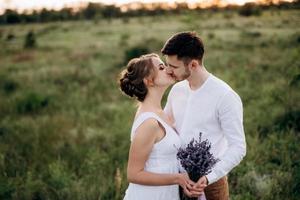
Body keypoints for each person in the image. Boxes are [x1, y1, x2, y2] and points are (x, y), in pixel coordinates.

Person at [162, 31, 247, 200]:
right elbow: (165, 128)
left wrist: (209, 177)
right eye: (167, 65)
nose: (168, 71)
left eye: (174, 66)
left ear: (193, 65)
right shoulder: (177, 90)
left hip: (211, 183)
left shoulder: (225, 96)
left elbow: (238, 147)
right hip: (176, 178)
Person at [119, 53, 202, 200]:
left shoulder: (160, 112)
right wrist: (177, 179)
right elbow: (133, 174)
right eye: (162, 67)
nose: (169, 70)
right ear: (149, 81)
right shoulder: (149, 122)